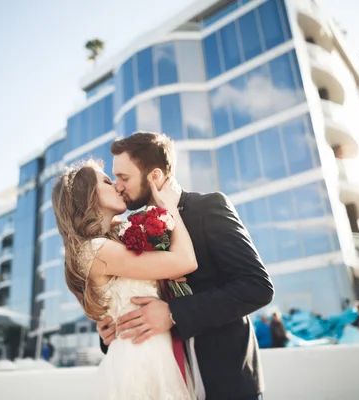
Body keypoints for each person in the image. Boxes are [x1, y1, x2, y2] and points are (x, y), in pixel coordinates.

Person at [97, 132, 274, 400]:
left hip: (226, 384)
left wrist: (174, 313)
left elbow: (257, 287)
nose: (118, 186)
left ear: (154, 176)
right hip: (164, 384)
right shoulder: (131, 230)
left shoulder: (208, 207)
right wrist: (111, 330)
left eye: (124, 177)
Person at [52, 158, 198, 398]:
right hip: (140, 361)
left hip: (152, 353)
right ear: (86, 195)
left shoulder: (112, 242)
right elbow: (186, 262)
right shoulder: (95, 250)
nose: (118, 186)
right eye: (108, 181)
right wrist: (170, 207)